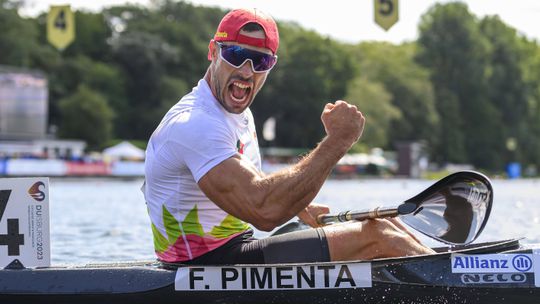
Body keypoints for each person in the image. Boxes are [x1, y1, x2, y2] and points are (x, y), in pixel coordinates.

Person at [144, 8, 434, 265]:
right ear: (213, 52)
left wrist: (300, 205)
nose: (247, 71)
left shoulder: (237, 114)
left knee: (388, 224)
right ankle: (461, 282)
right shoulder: (195, 123)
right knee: (379, 236)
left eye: (260, 61)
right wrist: (337, 142)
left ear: (271, 65)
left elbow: (247, 185)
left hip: (235, 249)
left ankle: (449, 268)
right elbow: (264, 210)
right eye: (236, 55)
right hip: (204, 266)